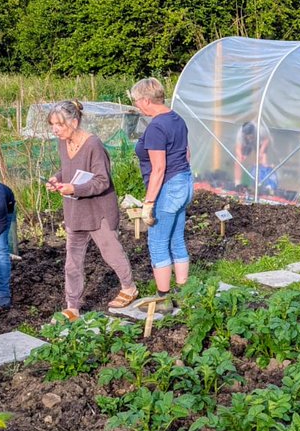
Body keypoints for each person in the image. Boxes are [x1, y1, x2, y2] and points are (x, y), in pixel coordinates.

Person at [46, 100, 138, 315]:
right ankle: (73, 306)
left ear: (75, 122)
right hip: (75, 211)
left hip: (98, 211)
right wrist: (57, 179)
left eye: (59, 125)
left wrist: (73, 189)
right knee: (72, 263)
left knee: (111, 253)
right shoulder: (63, 142)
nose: (55, 130)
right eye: (52, 125)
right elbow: (68, 169)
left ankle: (129, 287)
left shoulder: (93, 145)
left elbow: (102, 181)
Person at [131, 78, 193, 301]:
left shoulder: (157, 126)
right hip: (184, 183)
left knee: (157, 243)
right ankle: (184, 292)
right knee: (176, 239)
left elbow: (158, 168)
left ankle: (164, 298)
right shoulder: (177, 119)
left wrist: (148, 203)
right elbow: (187, 154)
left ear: (147, 100)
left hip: (167, 188)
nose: (137, 106)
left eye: (137, 101)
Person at [234, 121, 278, 194]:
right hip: (247, 145)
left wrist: (261, 151)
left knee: (263, 160)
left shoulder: (260, 130)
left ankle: (266, 186)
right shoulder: (240, 134)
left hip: (260, 143)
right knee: (237, 161)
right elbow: (238, 147)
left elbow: (266, 140)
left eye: (250, 135)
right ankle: (237, 184)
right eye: (247, 136)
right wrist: (240, 156)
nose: (249, 137)